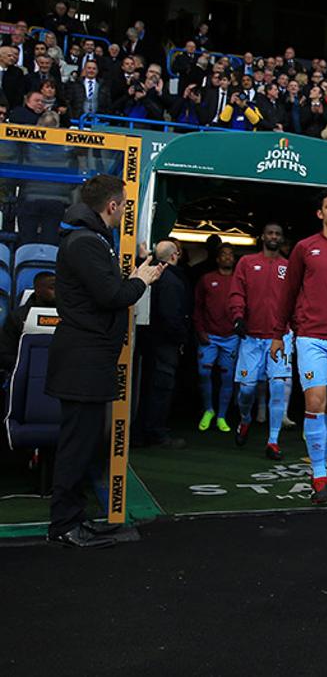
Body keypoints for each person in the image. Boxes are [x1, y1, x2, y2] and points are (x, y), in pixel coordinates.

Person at [47, 175, 163, 548]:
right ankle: (64, 524)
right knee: (77, 444)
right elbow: (113, 295)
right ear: (112, 206)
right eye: (125, 205)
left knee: (82, 443)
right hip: (83, 359)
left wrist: (134, 279)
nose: (126, 210)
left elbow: (104, 291)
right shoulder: (86, 242)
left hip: (87, 358)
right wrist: (141, 280)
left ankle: (74, 517)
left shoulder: (88, 239)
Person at [273, 189, 327, 504]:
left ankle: (325, 467)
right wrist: (277, 333)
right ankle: (319, 474)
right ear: (320, 213)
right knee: (316, 400)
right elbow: (289, 292)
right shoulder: (304, 248)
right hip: (311, 336)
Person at [229, 222, 293, 461]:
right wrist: (237, 316)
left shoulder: (288, 267)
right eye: (270, 233)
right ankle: (245, 419)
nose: (273, 237)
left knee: (277, 387)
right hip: (251, 336)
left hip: (279, 337)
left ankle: (273, 441)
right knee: (246, 389)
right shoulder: (246, 263)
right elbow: (236, 292)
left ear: (282, 239)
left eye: (278, 234)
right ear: (262, 237)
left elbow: (296, 298)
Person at [138, 240, 190, 449]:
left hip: (150, 340)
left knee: (149, 387)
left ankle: (144, 431)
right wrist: (182, 338)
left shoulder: (151, 275)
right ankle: (156, 433)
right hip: (165, 343)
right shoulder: (172, 281)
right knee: (161, 389)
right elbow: (171, 317)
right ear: (174, 256)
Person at [194, 244, 238, 433]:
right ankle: (208, 409)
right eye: (223, 255)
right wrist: (200, 331)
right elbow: (197, 307)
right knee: (204, 373)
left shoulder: (239, 279)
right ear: (218, 258)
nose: (227, 258)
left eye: (230, 255)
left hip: (231, 337)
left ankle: (221, 415)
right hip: (209, 336)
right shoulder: (207, 279)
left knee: (227, 377)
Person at [0, 272, 55, 380]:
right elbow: (4, 354)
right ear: (37, 289)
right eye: (52, 287)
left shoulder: (68, 316)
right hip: (24, 376)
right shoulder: (17, 317)